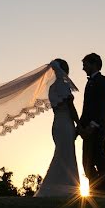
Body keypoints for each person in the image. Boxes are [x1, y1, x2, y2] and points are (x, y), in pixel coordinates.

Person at [35, 59, 81, 197]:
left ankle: (62, 189)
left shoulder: (52, 88)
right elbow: (70, 107)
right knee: (65, 154)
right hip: (65, 123)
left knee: (62, 154)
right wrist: (79, 124)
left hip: (57, 124)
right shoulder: (62, 85)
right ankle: (63, 190)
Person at [79, 52, 105, 193]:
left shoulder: (103, 81)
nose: (83, 68)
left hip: (97, 128)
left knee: (100, 161)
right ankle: (94, 190)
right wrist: (79, 126)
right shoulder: (89, 82)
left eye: (85, 64)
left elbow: (102, 105)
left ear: (94, 64)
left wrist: (93, 125)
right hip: (86, 128)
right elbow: (86, 108)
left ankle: (104, 191)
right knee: (87, 162)